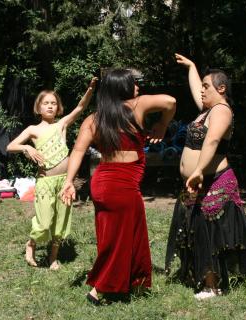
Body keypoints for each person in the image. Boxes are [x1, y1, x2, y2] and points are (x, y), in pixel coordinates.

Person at [60, 69, 176, 305]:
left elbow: (78, 152)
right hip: (121, 185)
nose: (138, 87)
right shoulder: (137, 105)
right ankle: (100, 289)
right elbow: (170, 101)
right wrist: (163, 124)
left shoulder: (93, 119)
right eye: (133, 83)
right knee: (122, 236)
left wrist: (69, 181)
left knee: (119, 233)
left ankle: (133, 283)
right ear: (121, 87)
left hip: (101, 183)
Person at [165, 53, 246, 300]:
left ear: (222, 88)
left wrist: (197, 170)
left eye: (208, 86)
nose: (202, 91)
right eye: (203, 86)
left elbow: (213, 140)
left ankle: (212, 285)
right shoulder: (206, 110)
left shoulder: (222, 111)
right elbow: (197, 91)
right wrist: (192, 68)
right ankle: (202, 277)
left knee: (209, 231)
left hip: (212, 179)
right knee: (194, 229)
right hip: (196, 181)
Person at [6, 77, 97, 270]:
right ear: (38, 108)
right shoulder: (33, 130)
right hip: (45, 182)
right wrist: (26, 149)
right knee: (45, 221)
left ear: (58, 108)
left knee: (61, 220)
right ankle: (31, 242)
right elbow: (10, 146)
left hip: (64, 181)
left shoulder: (61, 125)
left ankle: (52, 258)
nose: (50, 106)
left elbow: (80, 108)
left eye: (53, 103)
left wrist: (89, 90)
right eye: (46, 103)